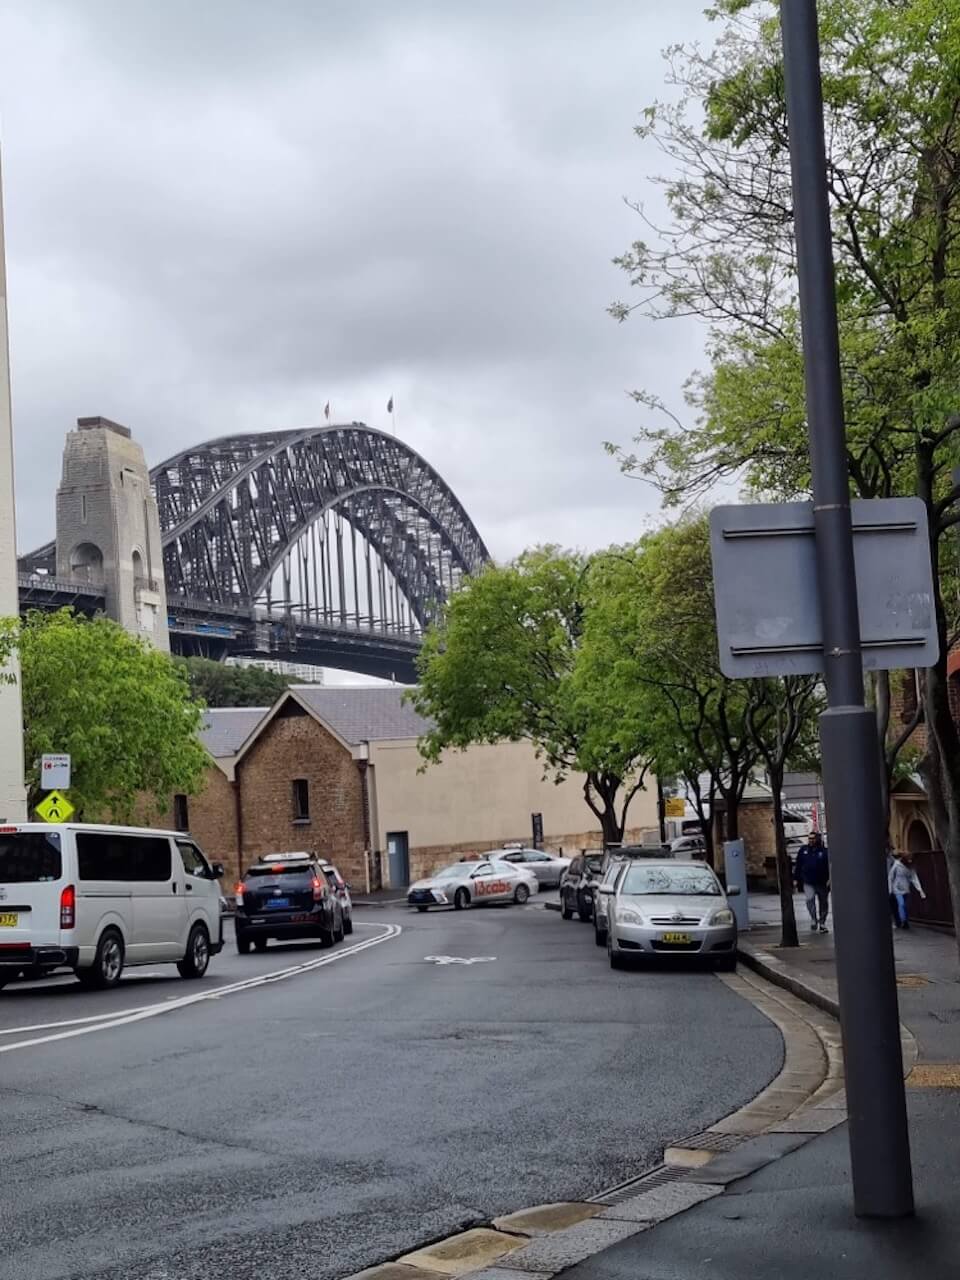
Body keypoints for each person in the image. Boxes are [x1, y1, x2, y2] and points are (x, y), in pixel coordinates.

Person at [795, 830, 831, 933]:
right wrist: (796, 879)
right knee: (809, 900)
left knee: (823, 903)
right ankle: (813, 919)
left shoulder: (824, 852)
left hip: (822, 882)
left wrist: (829, 880)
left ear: (818, 839)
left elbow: (829, 866)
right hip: (808, 881)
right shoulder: (804, 850)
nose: (811, 840)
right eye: (809, 838)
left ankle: (822, 922)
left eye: (813, 838)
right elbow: (798, 865)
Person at [888, 851, 926, 930]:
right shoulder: (897, 865)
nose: (909, 861)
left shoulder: (910, 867)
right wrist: (890, 889)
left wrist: (920, 890)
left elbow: (914, 878)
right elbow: (891, 877)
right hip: (897, 889)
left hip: (906, 889)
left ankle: (904, 920)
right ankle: (903, 921)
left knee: (905, 906)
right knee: (901, 904)